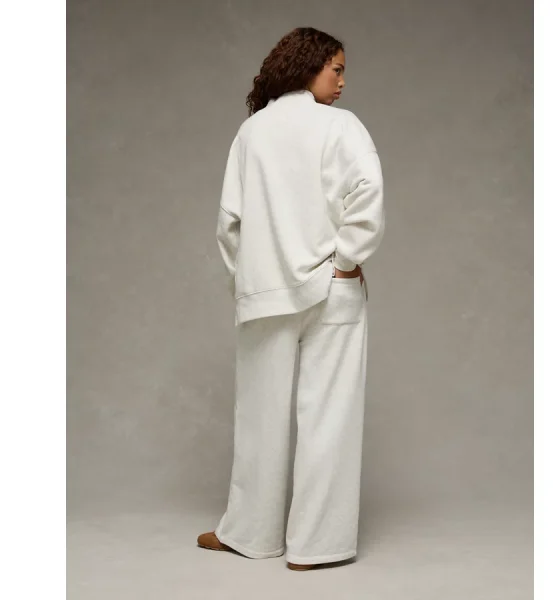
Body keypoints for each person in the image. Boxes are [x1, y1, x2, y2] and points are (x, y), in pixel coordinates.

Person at [197, 26, 385, 571]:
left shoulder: (251, 131)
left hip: (264, 293)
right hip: (333, 288)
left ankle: (250, 534)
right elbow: (368, 194)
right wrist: (345, 261)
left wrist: (249, 280)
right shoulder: (341, 126)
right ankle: (316, 547)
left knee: (258, 416)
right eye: (337, 69)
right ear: (309, 65)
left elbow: (229, 224)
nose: (343, 82)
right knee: (330, 417)